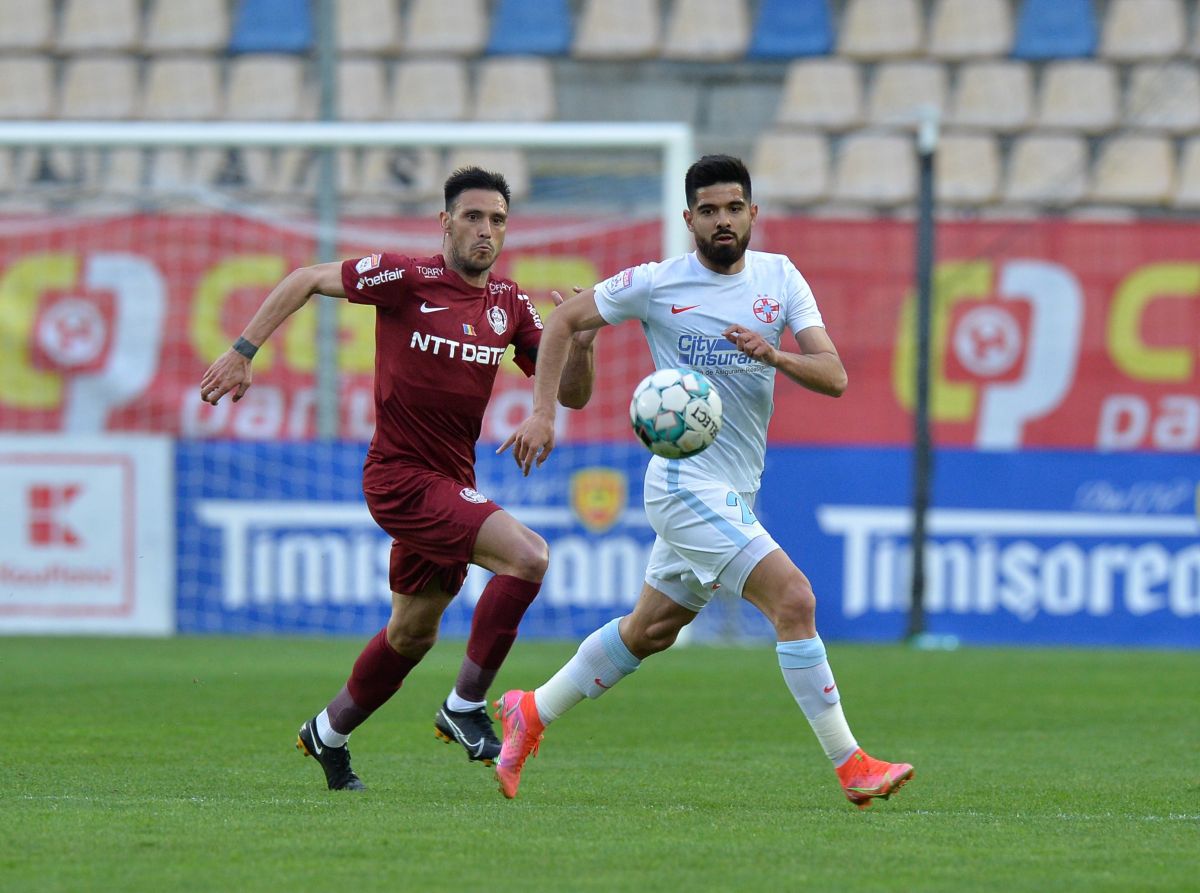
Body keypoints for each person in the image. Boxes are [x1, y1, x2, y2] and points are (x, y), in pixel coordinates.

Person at [495, 154, 914, 809]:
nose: (723, 220)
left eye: (734, 208)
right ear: (688, 218)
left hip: (735, 485)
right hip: (682, 483)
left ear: (753, 213)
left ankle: (531, 709)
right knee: (795, 600)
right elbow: (566, 319)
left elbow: (834, 375)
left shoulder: (781, 276)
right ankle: (852, 763)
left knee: (650, 630)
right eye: (710, 210)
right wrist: (545, 412)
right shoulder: (657, 282)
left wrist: (774, 354)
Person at [199, 167, 597, 791]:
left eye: (496, 219)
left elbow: (572, 395)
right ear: (445, 222)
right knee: (528, 557)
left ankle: (326, 733)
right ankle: (465, 706)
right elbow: (305, 279)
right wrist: (242, 352)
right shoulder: (406, 278)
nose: (485, 230)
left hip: (451, 478)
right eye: (472, 217)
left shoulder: (509, 304)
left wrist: (584, 344)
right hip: (401, 478)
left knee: (412, 633)